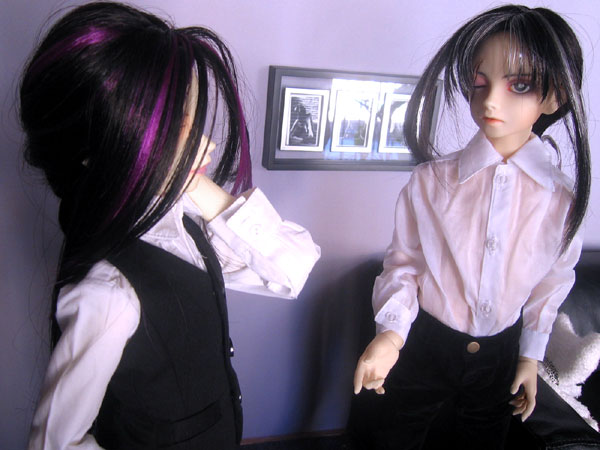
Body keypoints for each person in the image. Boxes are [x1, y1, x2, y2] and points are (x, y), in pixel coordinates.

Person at [20, 2, 320, 449]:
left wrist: (193, 182)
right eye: (178, 123)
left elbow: (291, 269)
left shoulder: (182, 227)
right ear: (113, 142)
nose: (206, 141)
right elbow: (54, 442)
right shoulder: (108, 292)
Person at [351, 5, 590, 449]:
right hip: (425, 344)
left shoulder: (561, 200)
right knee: (393, 436)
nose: (491, 101)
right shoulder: (431, 182)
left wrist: (530, 355)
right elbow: (404, 265)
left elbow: (552, 281)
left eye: (519, 84)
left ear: (554, 97)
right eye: (480, 83)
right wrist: (391, 335)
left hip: (500, 354)